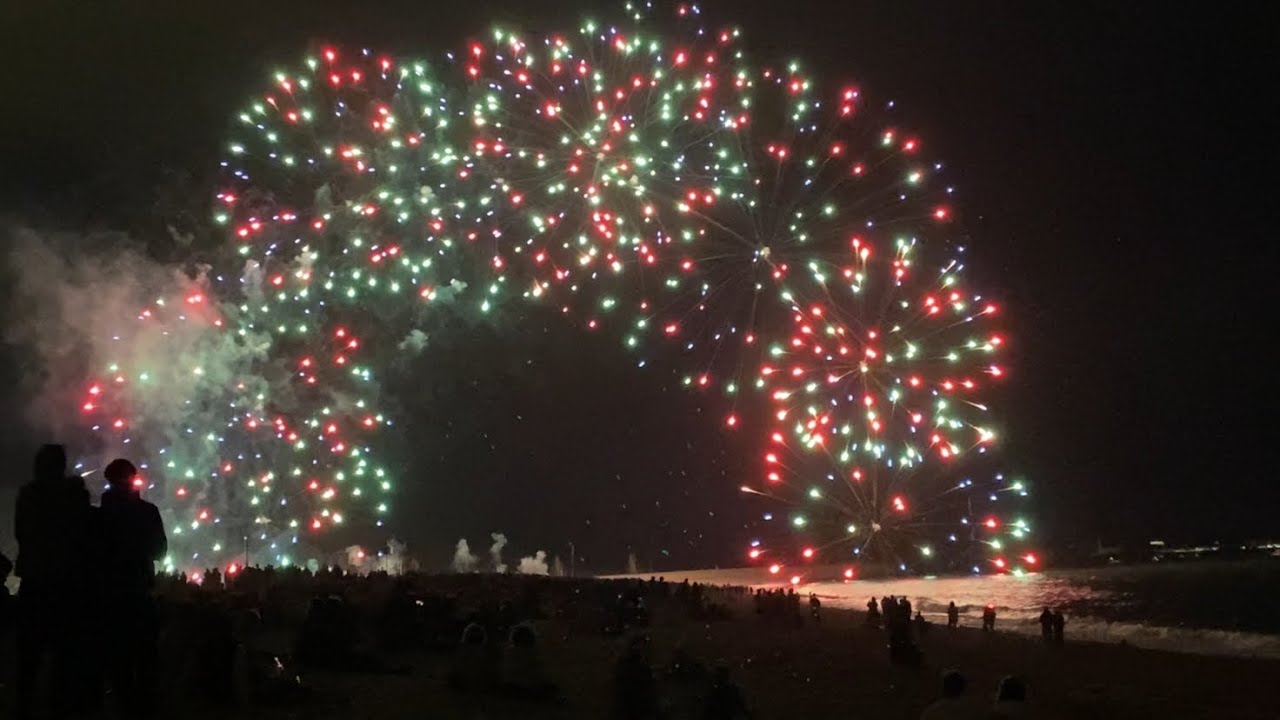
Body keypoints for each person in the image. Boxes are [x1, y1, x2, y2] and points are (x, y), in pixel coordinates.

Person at [15, 444, 93, 720]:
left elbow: (21, 534)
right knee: (64, 654)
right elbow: (85, 536)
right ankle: (60, 707)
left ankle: (23, 706)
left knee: (29, 654)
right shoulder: (74, 496)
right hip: (66, 584)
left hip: (36, 581)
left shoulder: (29, 495)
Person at [98, 458, 167, 719]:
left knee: (120, 660)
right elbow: (160, 551)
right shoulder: (147, 512)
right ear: (134, 478)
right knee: (146, 656)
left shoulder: (100, 516)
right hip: (139, 591)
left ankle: (125, 707)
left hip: (111, 595)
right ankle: (147, 707)